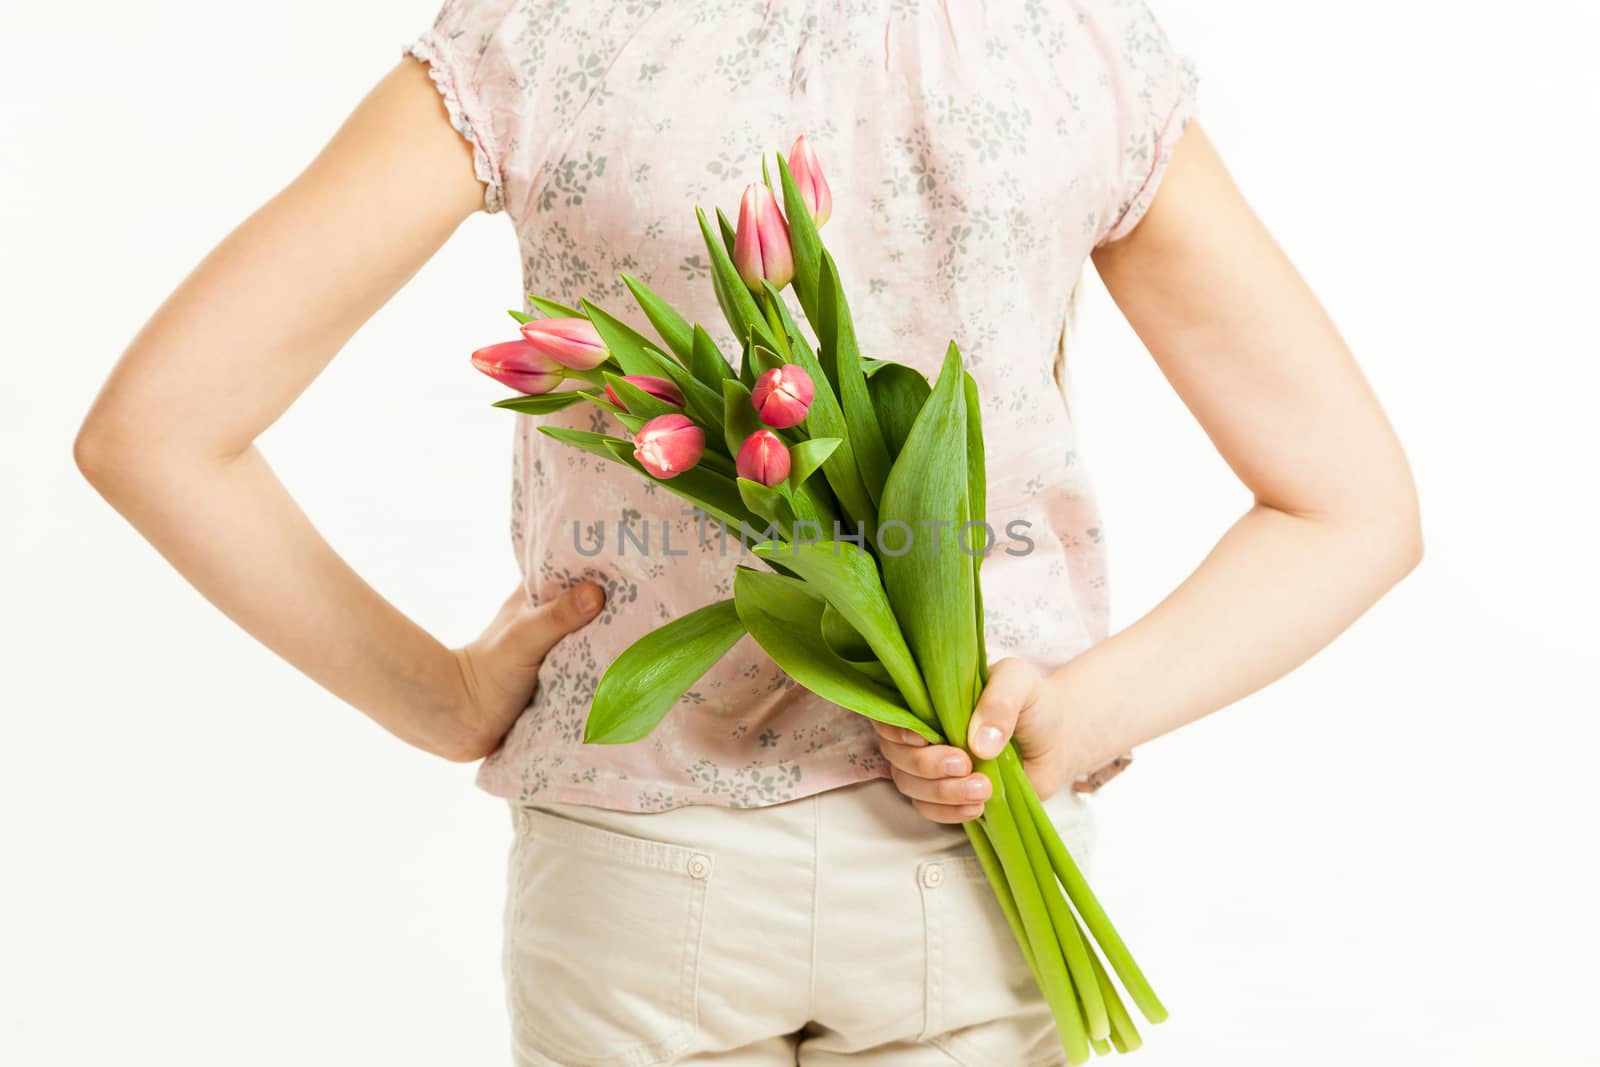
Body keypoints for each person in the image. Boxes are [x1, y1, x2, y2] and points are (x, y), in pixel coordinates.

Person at [73, 0, 1422, 1063]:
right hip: (972, 854)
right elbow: (1351, 507)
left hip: (639, 862)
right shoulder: (1073, 52)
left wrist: (443, 699)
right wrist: (1064, 714)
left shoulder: (542, 39)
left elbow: (156, 430)